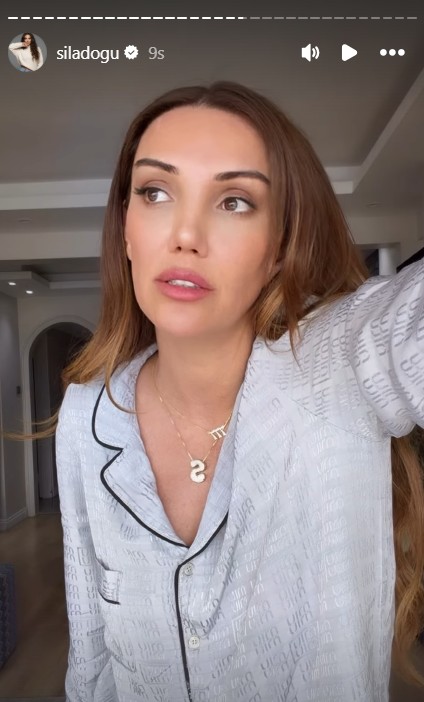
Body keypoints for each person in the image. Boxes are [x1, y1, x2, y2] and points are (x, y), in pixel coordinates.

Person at [54, 81, 424, 701]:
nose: (186, 234)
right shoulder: (87, 412)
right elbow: (90, 659)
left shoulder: (341, 363)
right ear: (125, 229)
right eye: (155, 192)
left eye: (234, 201)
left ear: (279, 247)